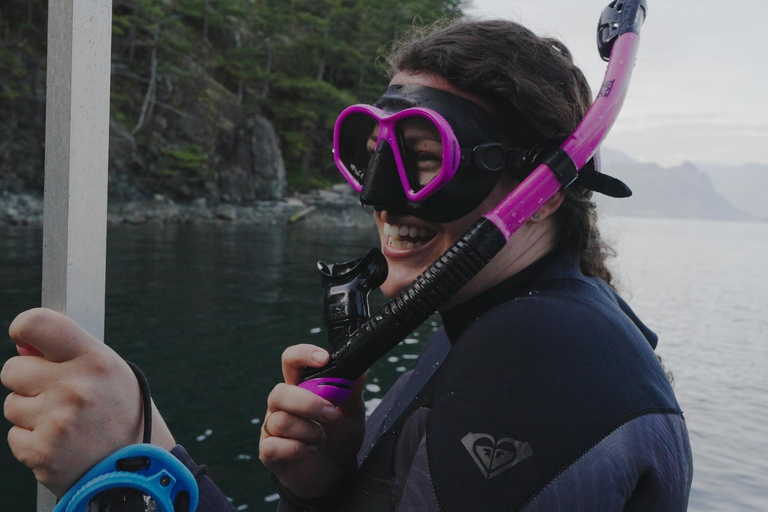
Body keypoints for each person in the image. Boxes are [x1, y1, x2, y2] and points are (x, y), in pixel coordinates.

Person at [1, 18, 692, 512]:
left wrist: (134, 463)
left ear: (541, 195)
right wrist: (330, 488)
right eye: (372, 149)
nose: (379, 194)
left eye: (425, 157)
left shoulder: (542, 358)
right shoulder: (512, 321)